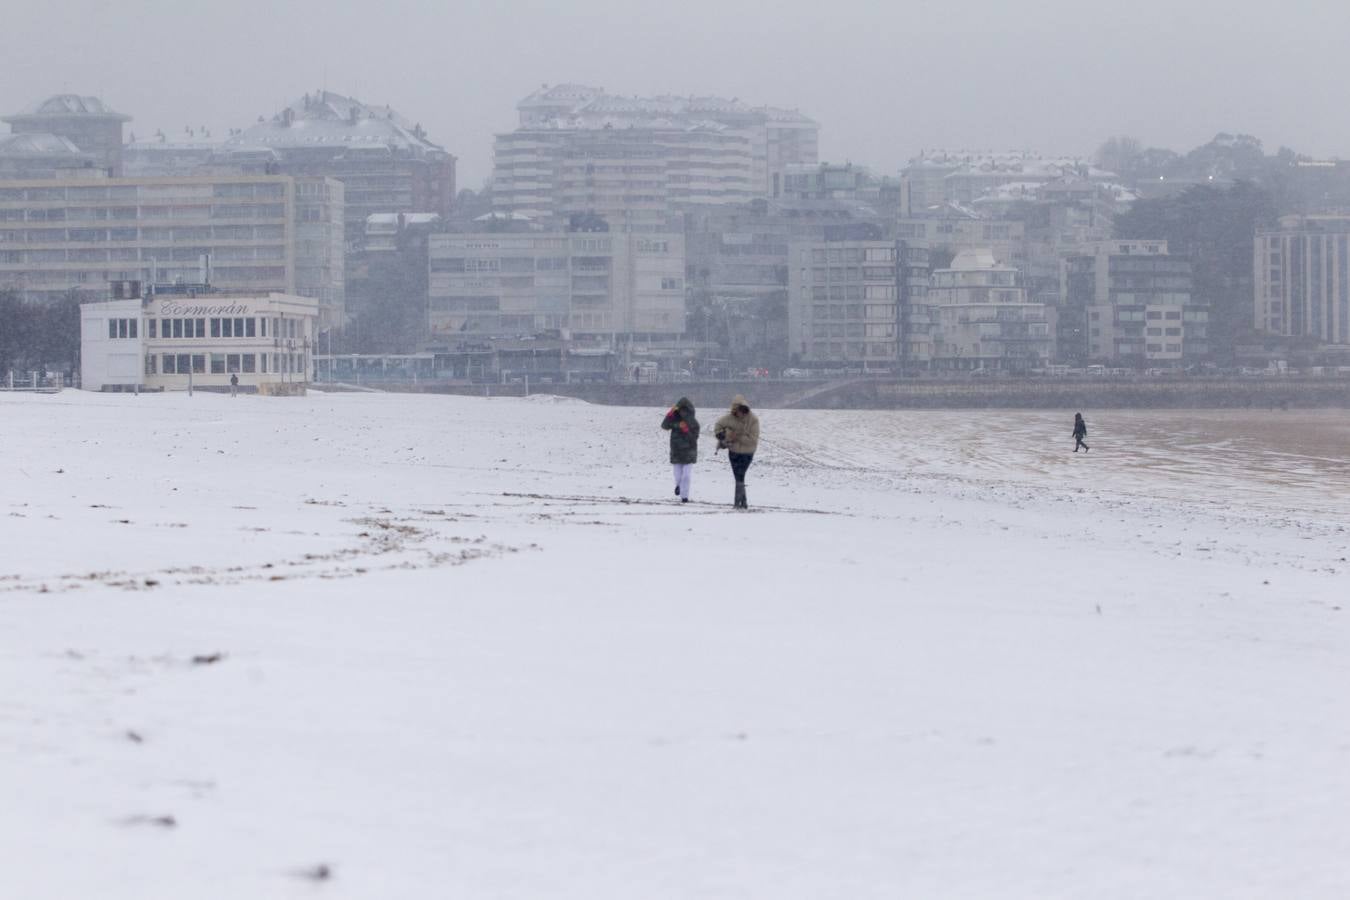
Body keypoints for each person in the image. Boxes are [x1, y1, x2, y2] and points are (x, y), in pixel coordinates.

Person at [714, 395, 760, 509]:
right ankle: (742, 503)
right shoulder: (728, 418)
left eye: (740, 411)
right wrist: (722, 435)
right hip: (733, 451)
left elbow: (752, 440)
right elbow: (718, 425)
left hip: (747, 453)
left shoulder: (753, 420)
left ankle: (738, 503)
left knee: (740, 476)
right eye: (736, 411)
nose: (738, 414)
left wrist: (736, 436)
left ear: (744, 410)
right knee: (739, 476)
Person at [661, 397, 700, 502]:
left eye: (685, 410)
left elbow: (694, 439)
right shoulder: (674, 418)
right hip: (676, 451)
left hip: (689, 452)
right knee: (678, 476)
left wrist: (686, 430)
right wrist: (670, 415)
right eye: (681, 410)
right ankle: (678, 486)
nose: (683, 413)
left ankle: (684, 496)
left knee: (686, 475)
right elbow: (664, 426)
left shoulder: (694, 423)